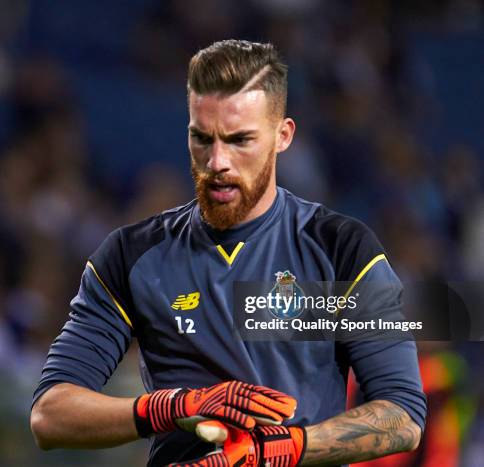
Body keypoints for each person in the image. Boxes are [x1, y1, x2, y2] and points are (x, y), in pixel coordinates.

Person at [30, 40, 426, 466]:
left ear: (283, 136)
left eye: (240, 140)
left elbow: (403, 417)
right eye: (203, 139)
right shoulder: (131, 255)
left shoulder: (342, 248)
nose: (217, 161)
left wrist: (278, 451)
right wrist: (172, 407)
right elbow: (49, 416)